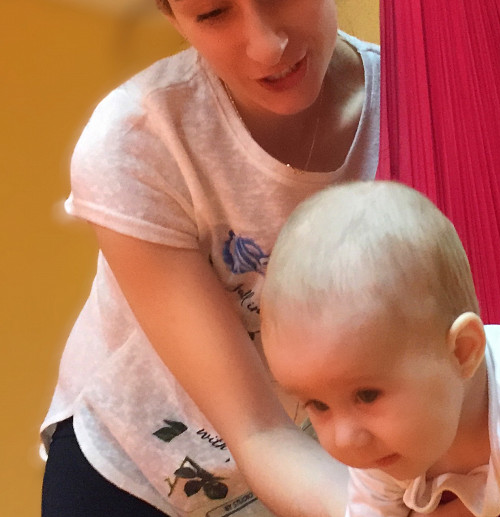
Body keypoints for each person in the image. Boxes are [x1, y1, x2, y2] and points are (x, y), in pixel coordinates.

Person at [39, 0, 379, 515]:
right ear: (174, 18)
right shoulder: (137, 139)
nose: (267, 46)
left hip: (342, 464)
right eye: (214, 12)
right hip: (135, 475)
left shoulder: (428, 110)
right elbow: (258, 431)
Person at [259, 181, 500, 517]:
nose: (344, 439)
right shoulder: (379, 445)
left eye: (367, 395)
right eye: (318, 405)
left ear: (462, 352)